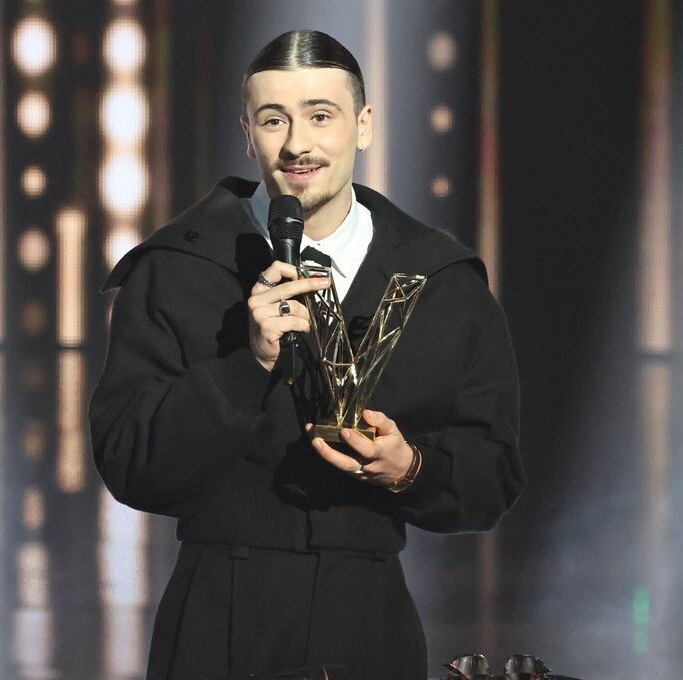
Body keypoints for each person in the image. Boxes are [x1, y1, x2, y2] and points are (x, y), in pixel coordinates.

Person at [89, 29, 524, 680]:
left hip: (369, 613)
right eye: (274, 119)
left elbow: (494, 476)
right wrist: (246, 366)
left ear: (364, 124)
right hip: (220, 615)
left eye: (321, 115)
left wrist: (412, 468)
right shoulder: (177, 270)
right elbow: (132, 465)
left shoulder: (441, 280)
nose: (297, 143)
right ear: (247, 132)